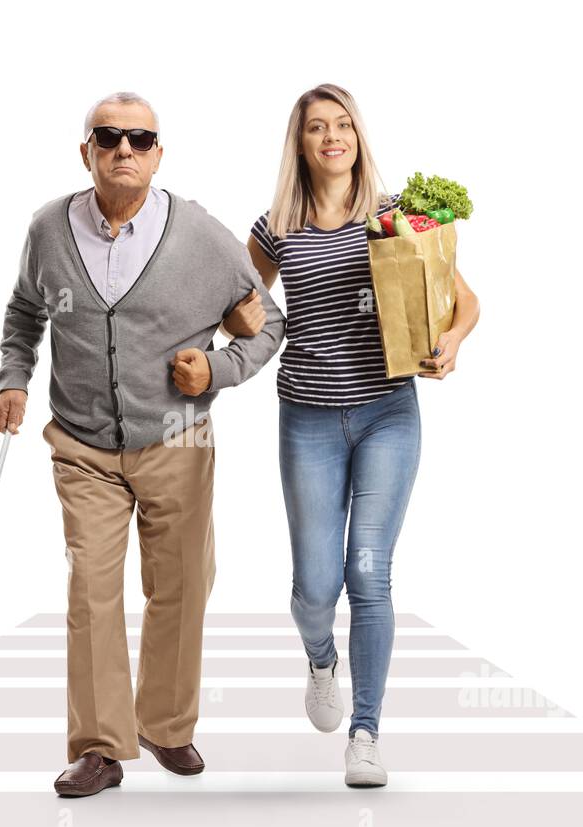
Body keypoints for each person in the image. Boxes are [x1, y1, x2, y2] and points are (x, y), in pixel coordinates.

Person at [0, 91, 285, 797]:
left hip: (177, 441)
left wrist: (215, 368)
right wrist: (13, 381)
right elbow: (25, 311)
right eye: (109, 136)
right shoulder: (48, 230)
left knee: (181, 586)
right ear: (86, 150)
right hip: (83, 444)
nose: (125, 149)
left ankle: (167, 724)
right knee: (91, 591)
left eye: (140, 139)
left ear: (158, 154)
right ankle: (100, 747)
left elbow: (266, 325)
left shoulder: (202, 237)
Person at [220, 83, 481, 787]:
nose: (332, 137)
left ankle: (366, 733)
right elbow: (240, 304)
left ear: (358, 137)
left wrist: (452, 341)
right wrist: (233, 323)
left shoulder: (398, 217)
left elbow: (465, 300)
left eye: (343, 125)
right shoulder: (276, 225)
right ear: (299, 144)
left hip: (387, 412)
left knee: (368, 572)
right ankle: (320, 659)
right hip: (307, 416)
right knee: (313, 585)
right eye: (316, 128)